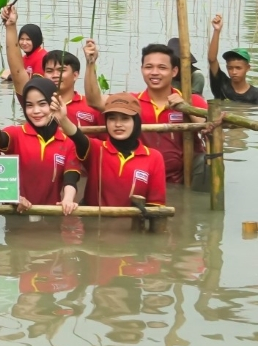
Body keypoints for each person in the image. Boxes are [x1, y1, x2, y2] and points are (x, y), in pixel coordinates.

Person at [0, 75, 81, 215]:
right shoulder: (16, 134)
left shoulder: (68, 143)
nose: (36, 111)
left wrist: (68, 199)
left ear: (54, 104)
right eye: (29, 105)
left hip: (50, 215)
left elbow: (70, 179)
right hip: (16, 213)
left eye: (42, 104)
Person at [4, 5, 104, 130]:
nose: (55, 75)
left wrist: (91, 63)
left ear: (75, 75)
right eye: (49, 71)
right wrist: (11, 26)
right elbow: (17, 70)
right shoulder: (36, 105)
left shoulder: (91, 106)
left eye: (61, 70)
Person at [76, 93, 167, 209]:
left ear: (136, 122)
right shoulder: (96, 149)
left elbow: (156, 206)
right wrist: (63, 118)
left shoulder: (154, 157)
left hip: (133, 225)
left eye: (125, 118)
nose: (118, 124)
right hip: (94, 223)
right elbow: (75, 135)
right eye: (112, 118)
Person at [134, 43, 207, 185]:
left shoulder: (193, 100)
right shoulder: (133, 102)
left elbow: (209, 129)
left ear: (174, 72)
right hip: (145, 173)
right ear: (142, 70)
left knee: (208, 162)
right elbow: (96, 102)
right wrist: (91, 65)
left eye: (162, 68)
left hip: (185, 175)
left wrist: (186, 108)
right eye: (149, 67)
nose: (154, 72)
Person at [207, 15, 258, 103]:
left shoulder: (255, 95)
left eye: (238, 68)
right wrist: (216, 30)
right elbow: (212, 60)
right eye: (230, 68)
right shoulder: (221, 85)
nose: (234, 72)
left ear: (248, 68)